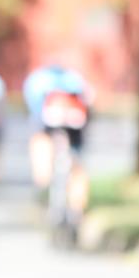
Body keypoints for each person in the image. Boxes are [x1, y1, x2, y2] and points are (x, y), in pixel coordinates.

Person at [22, 62, 92, 225]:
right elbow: (88, 105)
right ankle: (77, 208)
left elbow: (34, 112)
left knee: (42, 149)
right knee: (77, 165)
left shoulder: (38, 81)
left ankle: (46, 187)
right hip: (74, 125)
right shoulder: (75, 80)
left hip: (48, 125)